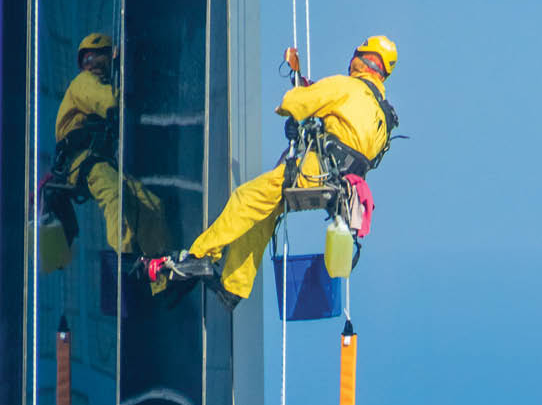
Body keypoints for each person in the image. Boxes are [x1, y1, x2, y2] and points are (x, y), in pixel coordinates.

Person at [154, 35, 399, 310]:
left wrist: (296, 99)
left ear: (360, 59)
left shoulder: (348, 87)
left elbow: (294, 104)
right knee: (265, 214)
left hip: (316, 171)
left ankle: (198, 256)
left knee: (246, 198)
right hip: (340, 190)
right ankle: (233, 286)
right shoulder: (383, 114)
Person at [53, 33, 170, 260]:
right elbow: (106, 101)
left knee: (150, 205)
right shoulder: (83, 82)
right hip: (84, 162)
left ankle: (162, 272)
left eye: (96, 59)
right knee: (115, 196)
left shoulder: (99, 84)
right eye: (88, 60)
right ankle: (124, 256)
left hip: (100, 162)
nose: (92, 65)